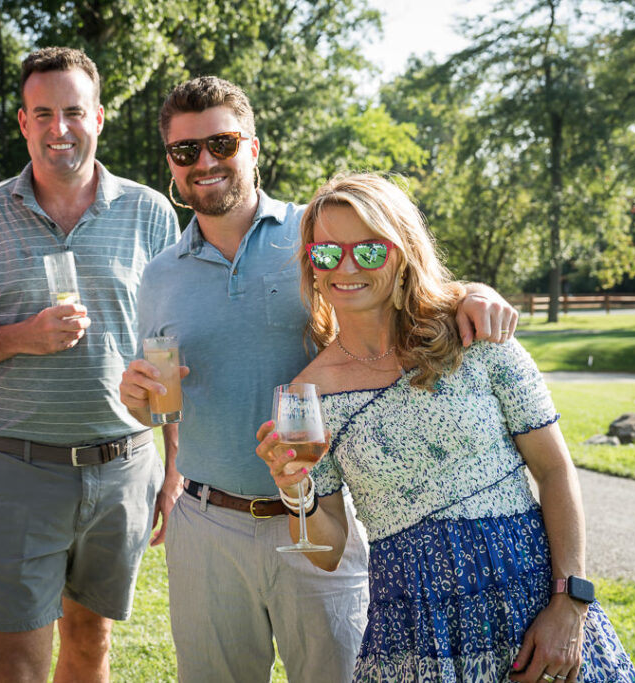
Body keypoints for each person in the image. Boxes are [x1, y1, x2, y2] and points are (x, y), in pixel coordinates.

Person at [118, 77, 519, 682]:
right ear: (171, 164)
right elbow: (164, 404)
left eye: (222, 144)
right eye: (185, 151)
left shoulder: (317, 235)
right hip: (205, 524)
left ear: (253, 148)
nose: (205, 162)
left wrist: (473, 293)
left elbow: (404, 275)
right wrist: (139, 405)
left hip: (321, 519)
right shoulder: (157, 277)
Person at [256, 172, 635, 683]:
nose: (345, 267)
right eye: (326, 253)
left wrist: (570, 603)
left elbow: (553, 470)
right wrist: (294, 489)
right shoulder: (309, 393)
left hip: (530, 603)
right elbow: (326, 552)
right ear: (312, 265)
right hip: (413, 630)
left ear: (403, 252)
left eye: (369, 251)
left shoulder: (473, 335)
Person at [0, 47, 178, 682]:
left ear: (98, 117)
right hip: (22, 470)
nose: (58, 128)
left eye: (72, 111)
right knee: (15, 660)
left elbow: (171, 347)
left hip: (125, 467)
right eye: (43, 113)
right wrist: (20, 338)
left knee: (91, 642)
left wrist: (175, 470)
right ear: (23, 122)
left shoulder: (150, 212)